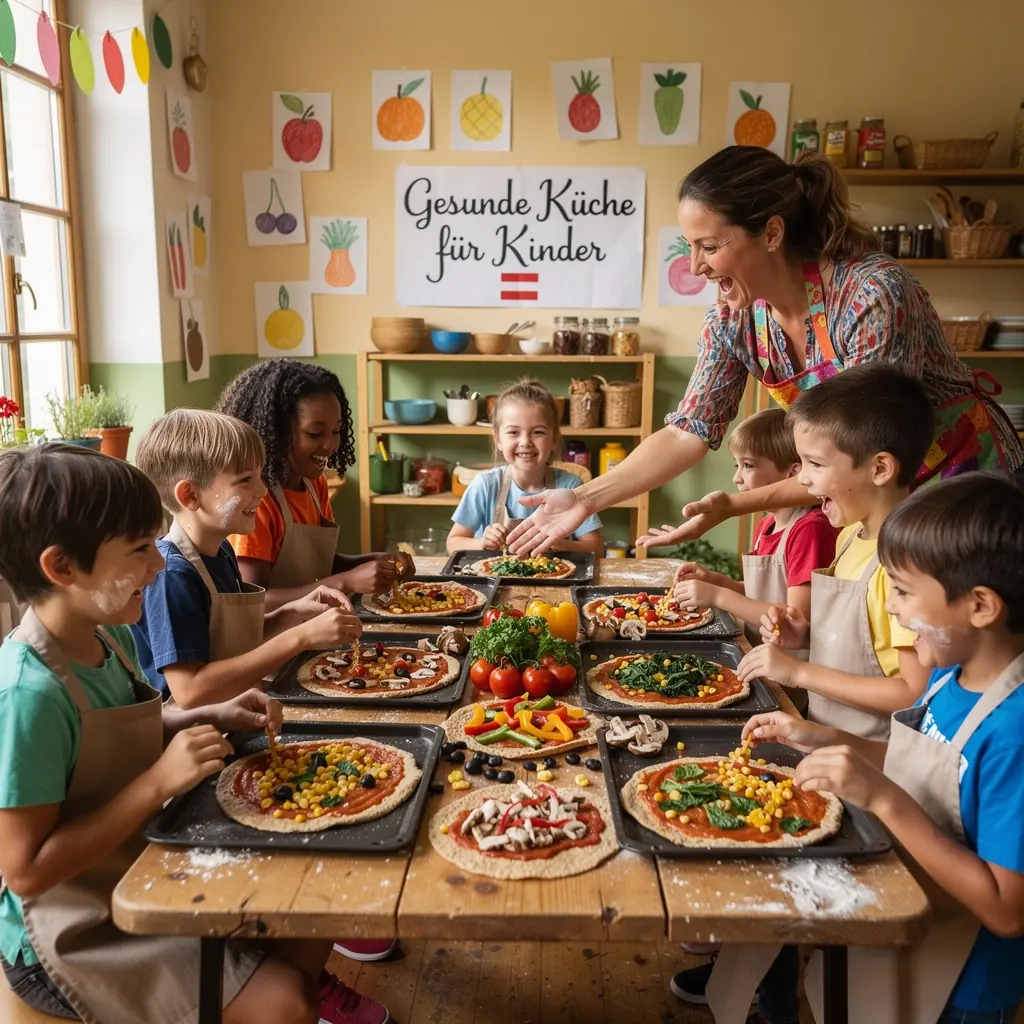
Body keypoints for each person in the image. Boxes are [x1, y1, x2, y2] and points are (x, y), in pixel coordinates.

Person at [0, 444, 389, 1024]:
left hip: (141, 861)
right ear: (62, 568)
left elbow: (111, 738)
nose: (158, 568)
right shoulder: (29, 694)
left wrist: (210, 715)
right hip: (73, 931)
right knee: (286, 1002)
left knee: (322, 894)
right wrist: (160, 781)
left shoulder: (106, 634)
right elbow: (26, 869)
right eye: (139, 551)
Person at [505, 146, 1023, 558]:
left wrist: (734, 503)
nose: (695, 267)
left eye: (709, 246)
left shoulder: (870, 296)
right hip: (867, 494)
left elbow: (862, 455)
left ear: (772, 232)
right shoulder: (735, 319)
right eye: (689, 247)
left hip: (964, 480)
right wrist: (585, 498)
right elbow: (688, 430)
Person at [740, 472, 1024, 1024]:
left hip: (965, 983)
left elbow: (1008, 912)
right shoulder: (951, 677)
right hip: (905, 926)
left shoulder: (1013, 732)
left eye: (903, 590)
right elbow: (913, 763)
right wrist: (823, 738)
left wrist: (886, 800)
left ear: (982, 606)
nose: (891, 608)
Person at [737, 365, 932, 739]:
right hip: (821, 734)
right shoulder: (849, 537)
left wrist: (799, 672)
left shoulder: (906, 566)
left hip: (873, 758)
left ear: (879, 469)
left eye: (815, 464)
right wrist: (804, 635)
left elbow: (911, 691)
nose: (803, 479)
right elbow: (860, 644)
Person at [131, 409, 362, 708]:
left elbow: (228, 643)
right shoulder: (172, 574)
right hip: (195, 736)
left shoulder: (221, 550)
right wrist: (300, 637)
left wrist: (292, 615)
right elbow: (190, 691)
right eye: (245, 480)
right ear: (190, 495)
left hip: (238, 709)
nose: (262, 490)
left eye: (260, 475)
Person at [216, 359, 413, 612]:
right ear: (277, 432)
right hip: (275, 642)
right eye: (315, 433)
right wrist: (345, 581)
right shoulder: (257, 499)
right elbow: (254, 603)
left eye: (337, 430)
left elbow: (314, 566)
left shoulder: (314, 482)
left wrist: (370, 563)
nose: (330, 444)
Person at [672, 408, 837, 648]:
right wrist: (716, 581)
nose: (736, 478)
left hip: (792, 671)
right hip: (762, 656)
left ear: (792, 473)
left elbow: (797, 619)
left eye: (747, 465)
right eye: (736, 465)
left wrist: (717, 596)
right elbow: (762, 596)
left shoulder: (810, 530)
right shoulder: (767, 524)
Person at [447, 378, 603, 555]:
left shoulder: (571, 486)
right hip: (494, 581)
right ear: (498, 439)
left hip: (554, 581)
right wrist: (482, 542)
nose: (525, 442)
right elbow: (452, 543)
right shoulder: (485, 485)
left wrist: (557, 544)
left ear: (553, 439)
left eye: (538, 432)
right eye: (513, 432)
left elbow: (596, 549)